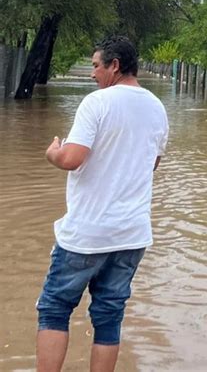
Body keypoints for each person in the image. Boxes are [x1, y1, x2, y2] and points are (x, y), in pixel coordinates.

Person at [36, 36, 169, 372]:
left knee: (54, 309)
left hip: (87, 233)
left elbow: (72, 158)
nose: (93, 73)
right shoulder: (157, 107)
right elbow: (150, 164)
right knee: (109, 317)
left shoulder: (97, 103)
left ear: (115, 66)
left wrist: (54, 152)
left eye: (96, 65)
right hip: (132, 235)